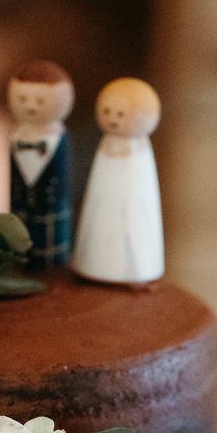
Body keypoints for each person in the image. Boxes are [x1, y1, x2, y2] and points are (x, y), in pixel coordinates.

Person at [71, 77, 164, 285]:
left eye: (120, 114)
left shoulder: (141, 152)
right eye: (107, 112)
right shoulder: (105, 145)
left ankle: (136, 269)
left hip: (133, 213)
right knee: (100, 226)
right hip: (103, 207)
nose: (113, 119)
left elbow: (143, 196)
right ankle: (93, 264)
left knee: (135, 229)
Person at [8, 60, 74, 269]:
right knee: (20, 244)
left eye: (40, 100)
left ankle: (51, 263)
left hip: (50, 208)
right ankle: (20, 257)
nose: (30, 106)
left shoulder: (59, 137)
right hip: (19, 207)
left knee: (51, 255)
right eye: (23, 99)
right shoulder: (16, 135)